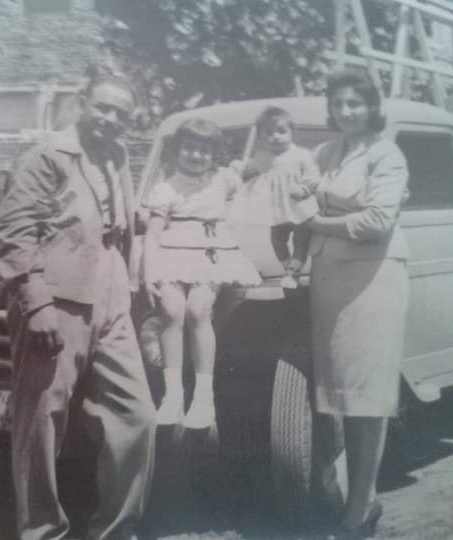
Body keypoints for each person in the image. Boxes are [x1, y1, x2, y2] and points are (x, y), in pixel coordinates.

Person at [0, 74, 156, 540]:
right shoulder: (47, 155)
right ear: (82, 103)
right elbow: (11, 231)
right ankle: (41, 531)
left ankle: (117, 530)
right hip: (56, 300)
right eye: (102, 107)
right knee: (42, 421)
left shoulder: (118, 155)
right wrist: (36, 302)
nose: (110, 119)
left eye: (121, 113)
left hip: (113, 297)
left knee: (137, 416)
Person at [304, 70, 410, 539]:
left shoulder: (387, 155)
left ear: (371, 107)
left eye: (355, 103)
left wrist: (319, 221)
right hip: (329, 279)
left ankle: (362, 503)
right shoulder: (325, 153)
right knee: (342, 392)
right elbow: (295, 191)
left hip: (372, 280)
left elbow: (377, 222)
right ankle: (354, 495)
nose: (346, 111)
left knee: (367, 393)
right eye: (339, 103)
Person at [142, 118, 261, 430]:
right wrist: (149, 273)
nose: (196, 156)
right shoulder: (166, 188)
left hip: (210, 254)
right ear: (177, 151)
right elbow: (153, 234)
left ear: (214, 153)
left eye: (204, 150)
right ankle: (173, 395)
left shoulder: (223, 179)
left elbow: (257, 171)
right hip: (171, 254)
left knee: (198, 310)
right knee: (172, 311)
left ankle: (203, 397)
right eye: (189, 148)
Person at [229, 106, 320, 288]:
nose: (275, 136)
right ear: (261, 137)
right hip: (276, 208)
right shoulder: (262, 156)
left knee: (301, 239)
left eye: (281, 131)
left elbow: (313, 176)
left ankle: (293, 273)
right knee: (277, 239)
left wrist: (303, 189)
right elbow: (248, 169)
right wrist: (237, 168)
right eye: (269, 133)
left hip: (299, 206)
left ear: (292, 132)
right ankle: (288, 267)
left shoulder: (301, 154)